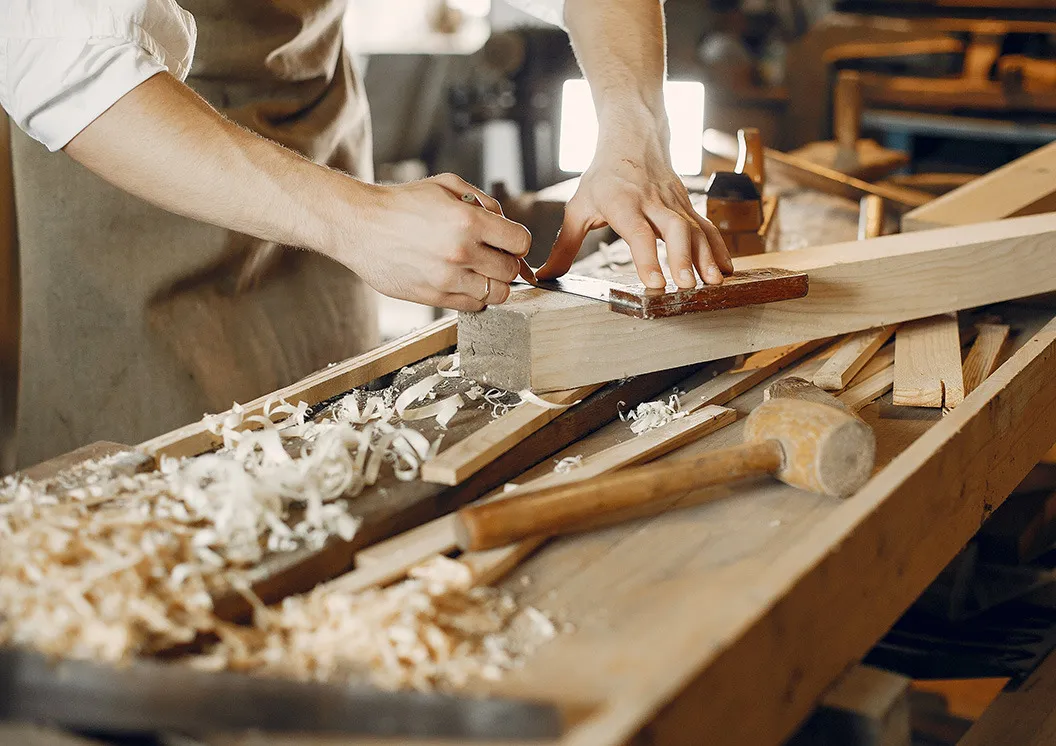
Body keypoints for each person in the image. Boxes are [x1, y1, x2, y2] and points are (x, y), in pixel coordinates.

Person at [1, 0, 731, 315]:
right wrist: (354, 223)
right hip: (138, 142)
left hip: (313, 117)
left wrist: (635, 134)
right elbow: (66, 58)